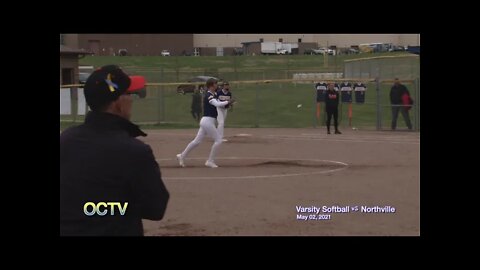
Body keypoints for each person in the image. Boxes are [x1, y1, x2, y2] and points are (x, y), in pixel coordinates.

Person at [60, 65, 170, 236]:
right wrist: (113, 207)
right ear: (118, 103)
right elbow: (155, 208)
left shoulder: (65, 140)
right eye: (128, 94)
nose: (132, 99)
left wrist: (86, 208)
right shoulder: (134, 151)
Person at [176, 78, 235, 168]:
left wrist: (228, 104)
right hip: (207, 121)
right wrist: (228, 101)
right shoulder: (208, 95)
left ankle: (182, 155)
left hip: (207, 121)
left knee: (197, 141)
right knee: (218, 140)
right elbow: (217, 104)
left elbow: (220, 103)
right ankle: (210, 161)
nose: (217, 85)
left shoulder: (214, 94)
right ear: (211, 85)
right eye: (215, 84)